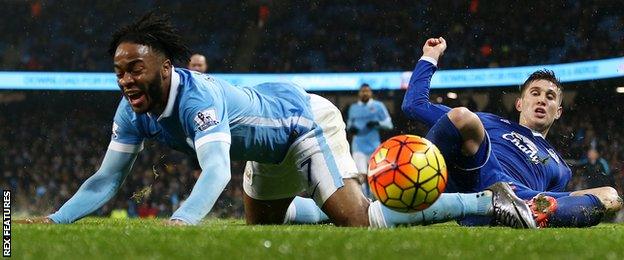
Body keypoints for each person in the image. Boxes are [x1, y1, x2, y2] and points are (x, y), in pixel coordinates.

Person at [19, 14, 533, 229]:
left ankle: (484, 201)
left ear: (165, 68)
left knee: (364, 226)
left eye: (136, 68)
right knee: (263, 232)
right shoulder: (130, 111)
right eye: (119, 71)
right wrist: (55, 220)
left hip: (303, 121)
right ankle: (320, 205)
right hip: (266, 149)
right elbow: (107, 179)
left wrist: (181, 223)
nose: (126, 79)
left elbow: (216, 172)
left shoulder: (198, 97)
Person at [401, 37, 622, 227]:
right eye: (535, 93)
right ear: (519, 104)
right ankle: (420, 187)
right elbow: (414, 105)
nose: (542, 100)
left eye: (550, 97)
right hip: (480, 177)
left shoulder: (562, 168)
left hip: (521, 198)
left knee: (610, 196)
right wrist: (430, 56)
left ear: (558, 112)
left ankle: (498, 210)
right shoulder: (488, 121)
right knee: (462, 116)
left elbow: (552, 203)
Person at [347, 83, 393, 196]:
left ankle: (376, 200)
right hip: (358, 146)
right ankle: (364, 202)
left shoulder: (378, 106)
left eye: (367, 91)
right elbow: (349, 124)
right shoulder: (353, 108)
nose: (365, 93)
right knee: (361, 175)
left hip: (374, 146)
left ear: (371, 93)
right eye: (363, 91)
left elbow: (389, 124)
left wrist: (378, 123)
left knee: (375, 175)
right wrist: (350, 128)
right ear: (359, 93)